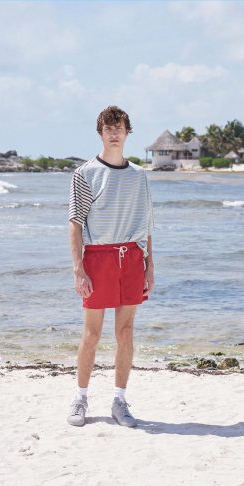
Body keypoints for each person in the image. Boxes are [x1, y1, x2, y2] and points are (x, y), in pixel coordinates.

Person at [66, 105, 154, 427]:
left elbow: (146, 226)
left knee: (126, 332)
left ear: (127, 132)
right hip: (98, 258)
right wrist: (79, 268)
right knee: (91, 334)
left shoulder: (139, 176)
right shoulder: (85, 174)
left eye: (119, 128)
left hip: (131, 257)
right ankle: (80, 399)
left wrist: (149, 266)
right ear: (100, 133)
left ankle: (119, 400)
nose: (114, 133)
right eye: (108, 129)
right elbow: (75, 224)